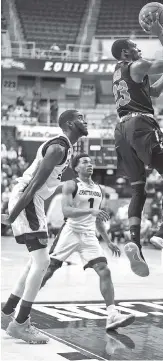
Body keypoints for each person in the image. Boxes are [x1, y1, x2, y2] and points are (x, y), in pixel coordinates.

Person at [111, 12, 163, 277]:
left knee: (138, 190)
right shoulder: (136, 64)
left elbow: (153, 91)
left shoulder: (120, 72)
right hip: (141, 125)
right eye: (134, 45)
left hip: (120, 130)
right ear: (125, 52)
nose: (138, 47)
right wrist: (159, 34)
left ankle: (134, 241)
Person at [1, 110, 88, 344]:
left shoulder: (66, 147)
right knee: (43, 262)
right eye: (80, 118)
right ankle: (20, 324)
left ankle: (7, 311)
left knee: (35, 261)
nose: (85, 121)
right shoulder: (58, 148)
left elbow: (41, 185)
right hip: (28, 200)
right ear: (70, 124)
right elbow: (32, 186)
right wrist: (12, 216)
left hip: (32, 200)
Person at [40, 154, 135, 331]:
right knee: (49, 269)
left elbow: (98, 219)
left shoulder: (98, 189)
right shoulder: (71, 184)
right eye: (85, 162)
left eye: (91, 162)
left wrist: (108, 241)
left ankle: (112, 314)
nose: (89, 165)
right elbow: (67, 211)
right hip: (70, 232)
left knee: (104, 271)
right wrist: (91, 211)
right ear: (76, 168)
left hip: (89, 235)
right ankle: (24, 303)